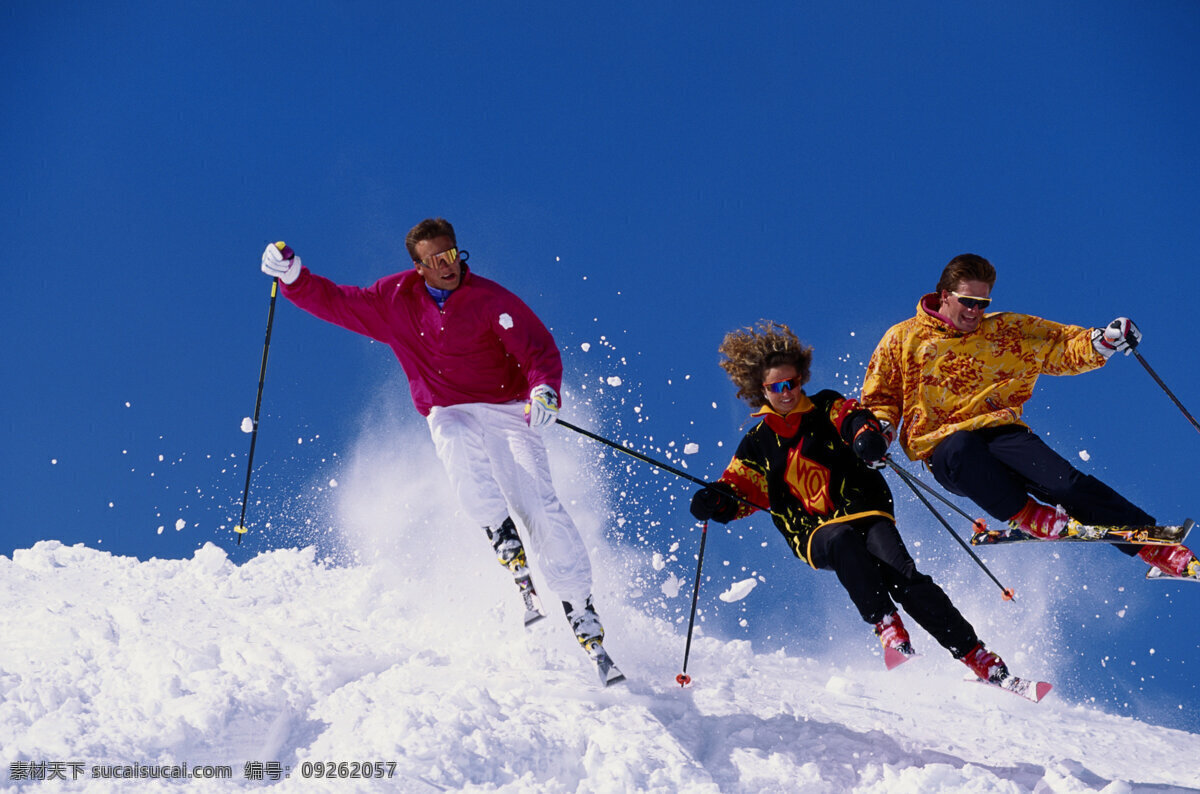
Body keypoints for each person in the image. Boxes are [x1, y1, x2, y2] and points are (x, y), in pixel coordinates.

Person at [259, 218, 612, 663]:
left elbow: (538, 350)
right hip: (449, 408)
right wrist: (293, 278)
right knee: (456, 449)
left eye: (451, 255)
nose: (447, 266)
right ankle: (500, 533)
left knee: (539, 502)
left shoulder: (491, 300)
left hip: (506, 409)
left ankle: (578, 604)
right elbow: (338, 302)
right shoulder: (394, 299)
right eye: (435, 260)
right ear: (418, 267)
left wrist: (544, 389)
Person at [689, 320, 1017, 685]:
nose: (786, 393)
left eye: (792, 383)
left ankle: (976, 654)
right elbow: (742, 487)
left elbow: (852, 417)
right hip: (811, 528)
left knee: (904, 576)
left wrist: (865, 436)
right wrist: (717, 501)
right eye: (776, 387)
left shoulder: (825, 405)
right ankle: (885, 623)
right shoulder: (757, 442)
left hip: (863, 506)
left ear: (802, 380)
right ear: (761, 390)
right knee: (842, 540)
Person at [860, 253, 1198, 580]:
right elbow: (881, 396)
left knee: (1065, 484)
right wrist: (878, 433)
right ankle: (1028, 514)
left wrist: (1102, 343)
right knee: (962, 447)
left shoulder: (1005, 332)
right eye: (968, 301)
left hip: (1001, 432)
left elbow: (1060, 346)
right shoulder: (903, 339)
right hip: (944, 447)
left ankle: (1158, 550)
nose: (975, 311)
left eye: (983, 304)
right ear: (945, 295)